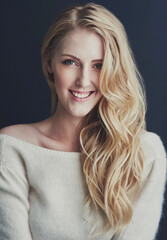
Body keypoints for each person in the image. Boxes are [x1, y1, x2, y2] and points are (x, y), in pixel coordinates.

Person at [0, 2, 166, 240]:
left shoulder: (144, 153)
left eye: (98, 66)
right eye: (70, 62)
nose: (83, 80)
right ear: (49, 63)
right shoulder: (11, 149)